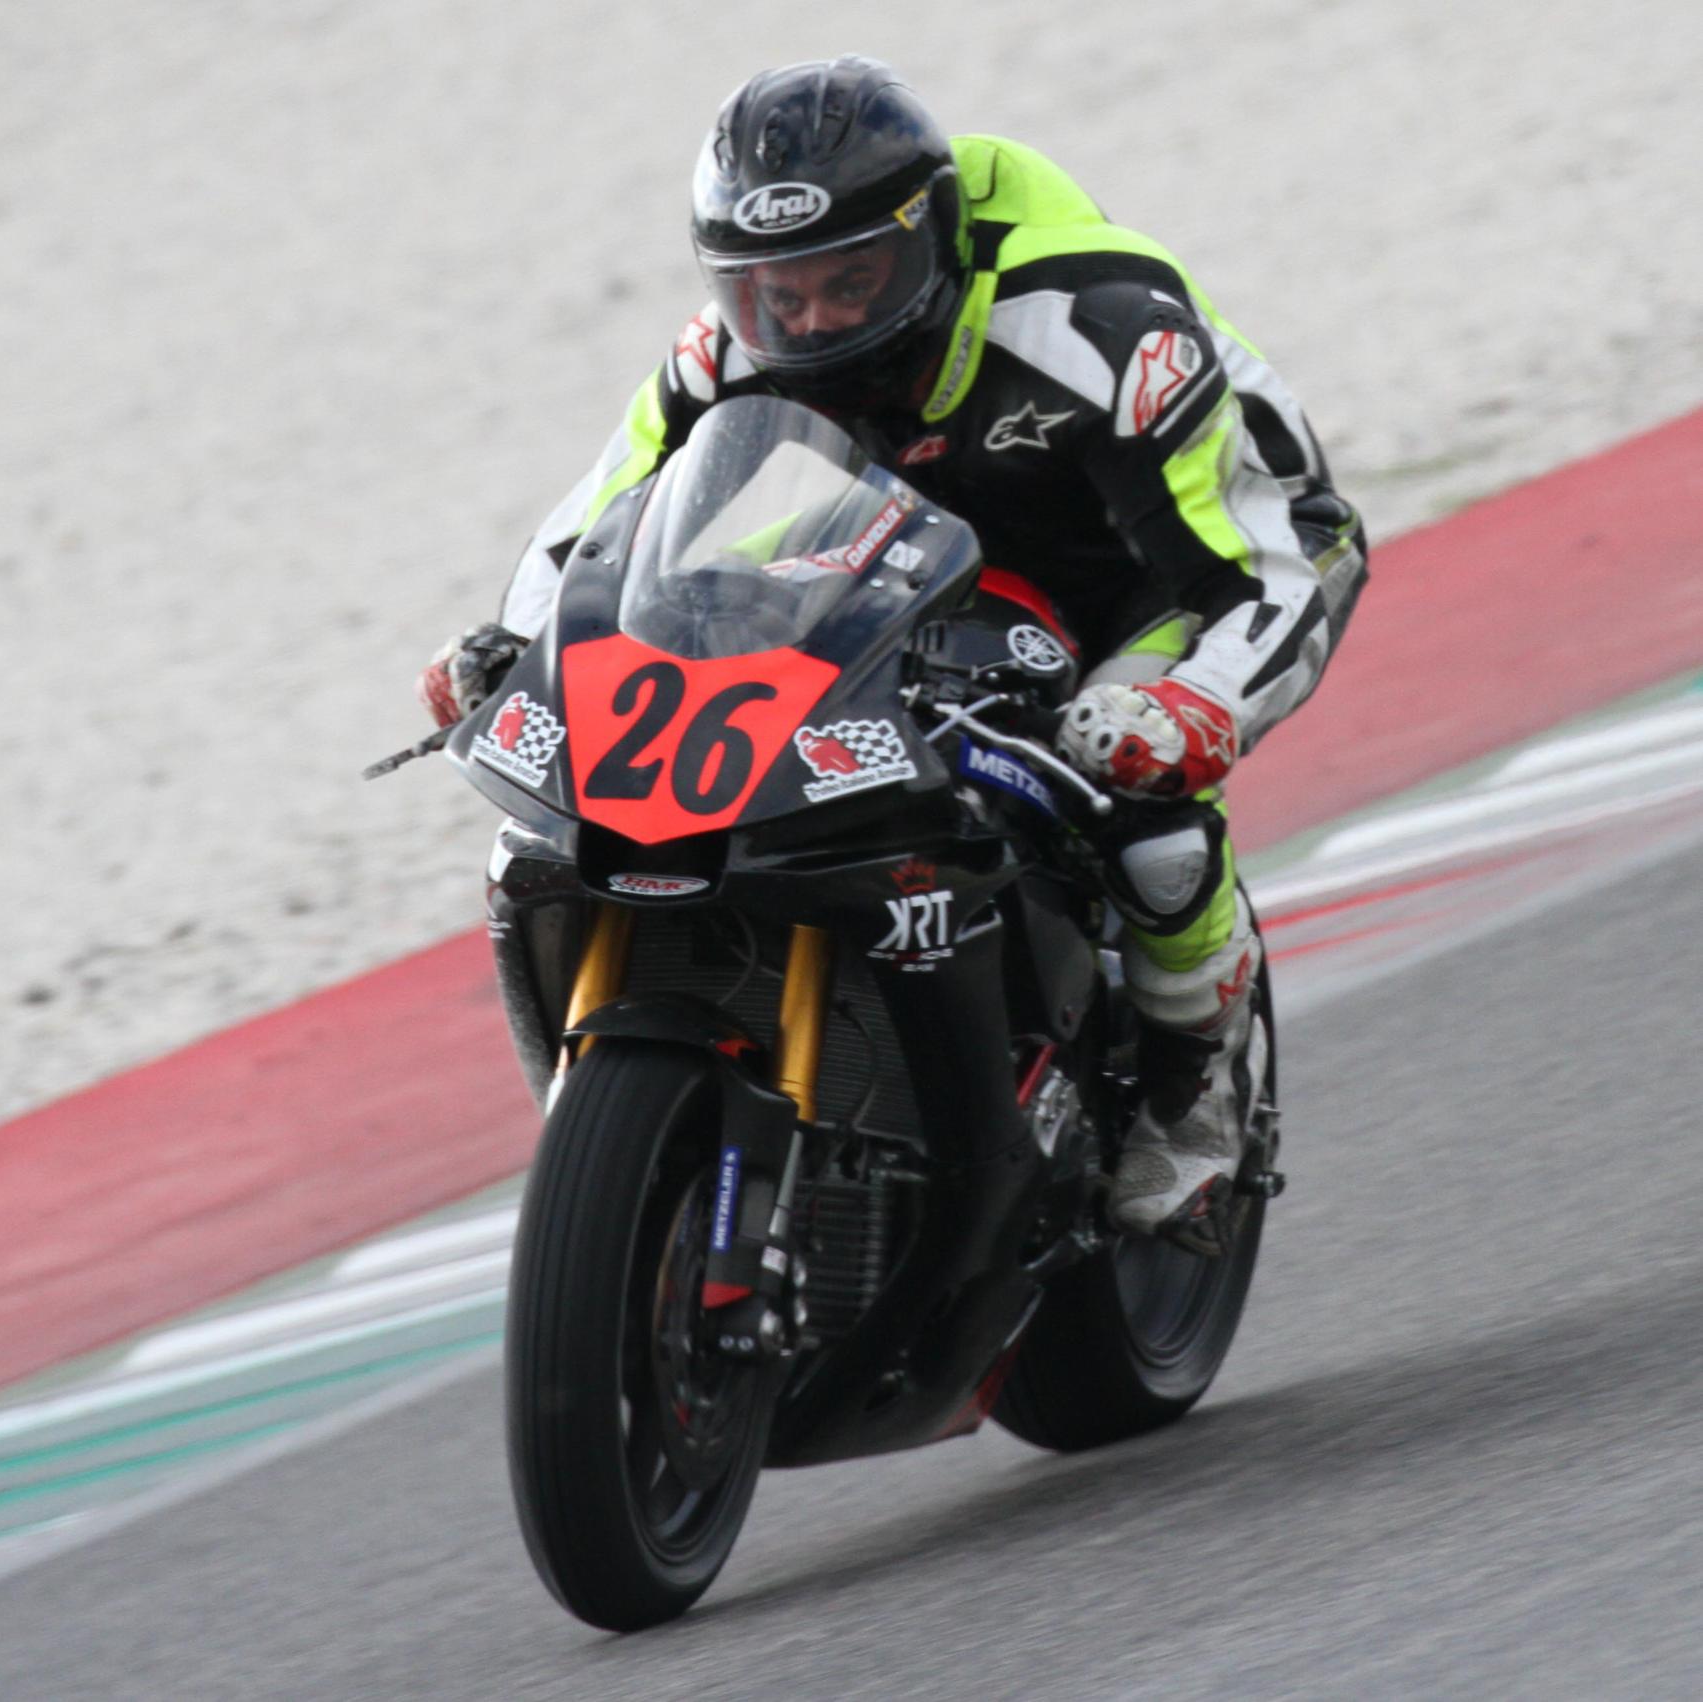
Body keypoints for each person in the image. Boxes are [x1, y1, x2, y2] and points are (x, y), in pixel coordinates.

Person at [417, 56, 1366, 1254]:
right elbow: (593, 528)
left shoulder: (1099, 324)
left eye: (850, 281)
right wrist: (515, 643)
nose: (810, 320)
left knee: (1142, 810)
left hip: (1177, 568)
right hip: (914, 558)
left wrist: (1196, 705)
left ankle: (1198, 1087)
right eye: (773, 292)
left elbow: (1261, 563)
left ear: (930, 241)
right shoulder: (726, 353)